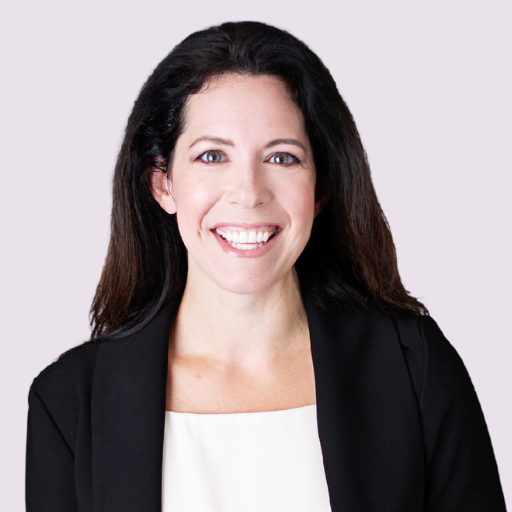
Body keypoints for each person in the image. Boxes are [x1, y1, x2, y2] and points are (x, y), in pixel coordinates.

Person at [25, 21, 507, 512]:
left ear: (320, 188)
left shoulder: (416, 370)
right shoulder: (69, 403)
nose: (250, 193)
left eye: (281, 157)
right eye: (212, 155)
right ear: (163, 184)